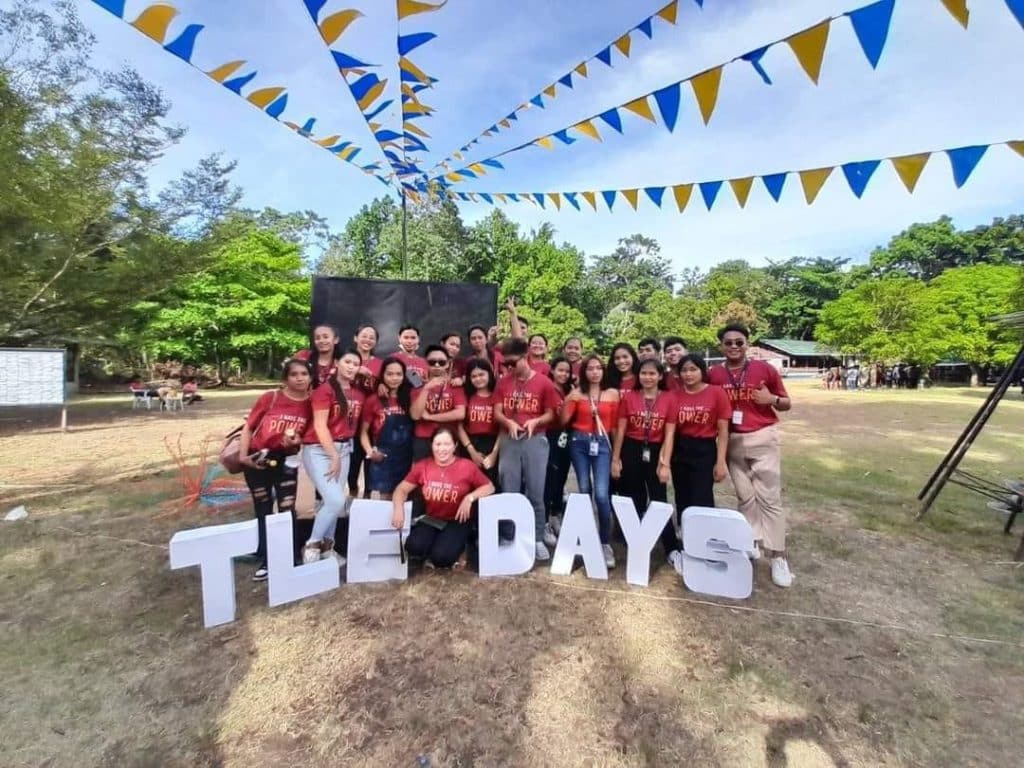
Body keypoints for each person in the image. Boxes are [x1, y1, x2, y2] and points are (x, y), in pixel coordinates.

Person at [707, 323, 794, 588]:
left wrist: (772, 400)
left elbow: (786, 402)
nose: (734, 346)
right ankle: (751, 543)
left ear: (747, 344)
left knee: (769, 498)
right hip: (732, 440)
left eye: (739, 342)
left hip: (762, 435)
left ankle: (777, 555)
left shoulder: (764, 369)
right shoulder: (715, 373)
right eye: (729, 342)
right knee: (745, 498)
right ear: (721, 345)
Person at [237, 358, 313, 581]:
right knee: (263, 509)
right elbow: (249, 427)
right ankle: (267, 559)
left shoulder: (311, 404)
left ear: (310, 377)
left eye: (304, 374)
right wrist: (243, 457)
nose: (299, 378)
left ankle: (291, 556)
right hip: (257, 459)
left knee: (288, 508)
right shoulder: (271, 398)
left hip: (286, 461)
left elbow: (305, 436)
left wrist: (295, 443)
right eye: (294, 374)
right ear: (285, 378)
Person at [659, 354, 731, 574]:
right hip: (682, 448)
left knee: (702, 497)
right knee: (683, 497)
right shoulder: (674, 396)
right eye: (684, 370)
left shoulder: (716, 393)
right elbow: (669, 431)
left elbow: (723, 430)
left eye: (693, 369)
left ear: (702, 370)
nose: (688, 374)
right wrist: (666, 461)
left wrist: (721, 461)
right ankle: (689, 545)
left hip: (704, 449)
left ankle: (707, 545)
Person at [494, 337, 562, 561]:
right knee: (509, 490)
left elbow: (552, 413)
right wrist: (509, 422)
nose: (509, 368)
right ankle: (508, 535)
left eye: (513, 363)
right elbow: (497, 412)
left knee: (535, 491)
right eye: (506, 364)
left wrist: (536, 421)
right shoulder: (504, 382)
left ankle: (537, 538)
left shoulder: (543, 382)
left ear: (526, 358)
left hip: (535, 439)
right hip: (510, 439)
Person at [391, 427, 495, 570]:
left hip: (457, 520)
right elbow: (401, 489)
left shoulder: (467, 466)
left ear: (455, 446)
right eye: (438, 444)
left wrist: (470, 497)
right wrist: (398, 509)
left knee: (442, 558)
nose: (442, 449)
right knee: (413, 547)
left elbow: (490, 487)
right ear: (431, 445)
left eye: (447, 444)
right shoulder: (423, 466)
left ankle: (461, 547)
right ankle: (434, 548)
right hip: (432, 518)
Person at [300, 349, 364, 566]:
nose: (351, 366)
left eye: (356, 363)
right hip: (319, 449)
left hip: (345, 447)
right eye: (347, 361)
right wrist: (333, 456)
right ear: (337, 363)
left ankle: (328, 546)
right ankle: (312, 544)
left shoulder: (357, 393)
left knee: (333, 502)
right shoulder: (325, 390)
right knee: (337, 500)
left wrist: (340, 453)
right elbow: (319, 425)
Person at [612, 358, 677, 564]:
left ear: (660, 376)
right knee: (634, 496)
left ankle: (671, 547)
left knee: (659, 498)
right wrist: (616, 458)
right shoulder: (630, 397)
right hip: (631, 448)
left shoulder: (669, 398)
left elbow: (670, 433)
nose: (647, 377)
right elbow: (621, 430)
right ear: (638, 376)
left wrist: (665, 462)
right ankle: (637, 541)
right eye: (643, 373)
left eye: (652, 373)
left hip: (656, 450)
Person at [562, 353, 620, 568]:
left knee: (603, 495)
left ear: (603, 371)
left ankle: (604, 542)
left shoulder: (612, 394)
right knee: (584, 489)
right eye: (590, 368)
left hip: (603, 445)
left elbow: (614, 428)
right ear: (584, 372)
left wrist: (616, 456)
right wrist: (569, 401)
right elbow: (564, 421)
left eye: (598, 368)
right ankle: (585, 537)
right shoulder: (577, 394)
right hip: (579, 443)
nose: (594, 372)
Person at [359, 357, 414, 500]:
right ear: (382, 375)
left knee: (403, 498)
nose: (394, 378)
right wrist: (370, 452)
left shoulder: (411, 397)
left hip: (407, 457)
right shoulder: (373, 400)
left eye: (398, 374)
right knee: (384, 499)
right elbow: (364, 432)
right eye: (389, 374)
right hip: (383, 457)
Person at [410, 345, 467, 461]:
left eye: (441, 362)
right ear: (425, 362)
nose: (436, 365)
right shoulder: (417, 385)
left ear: (447, 364)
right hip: (423, 439)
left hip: (448, 438)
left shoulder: (454, 386)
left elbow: (460, 413)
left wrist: (430, 417)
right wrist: (426, 389)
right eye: (432, 362)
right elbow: (415, 415)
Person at [543, 356, 574, 545]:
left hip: (566, 437)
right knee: (549, 479)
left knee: (561, 478)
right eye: (560, 370)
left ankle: (556, 515)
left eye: (567, 371)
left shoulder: (571, 390)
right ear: (552, 370)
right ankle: (545, 521)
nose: (563, 374)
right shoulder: (546, 388)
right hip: (550, 436)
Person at [350, 324, 382, 498]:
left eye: (372, 337)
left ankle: (367, 497)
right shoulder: (345, 360)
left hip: (371, 419)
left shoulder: (379, 364)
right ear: (356, 338)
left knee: (370, 462)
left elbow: (386, 384)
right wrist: (355, 370)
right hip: (348, 420)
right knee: (352, 465)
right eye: (364, 335)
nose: (367, 340)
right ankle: (353, 491)